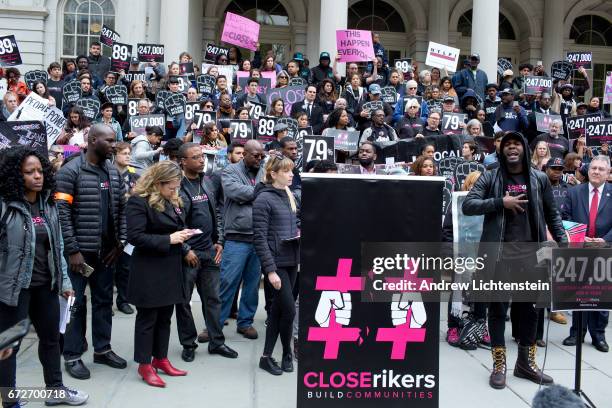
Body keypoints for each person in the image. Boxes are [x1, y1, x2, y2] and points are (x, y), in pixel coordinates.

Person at [463, 131, 565, 389]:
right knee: (497, 310)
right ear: (501, 150)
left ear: (524, 149)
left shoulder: (539, 178)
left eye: (516, 144)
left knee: (529, 311)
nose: (512, 148)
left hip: (532, 257)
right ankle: (499, 365)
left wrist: (563, 245)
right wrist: (501, 202)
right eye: (507, 145)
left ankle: (525, 364)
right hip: (499, 257)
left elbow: (553, 215)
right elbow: (469, 205)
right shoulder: (491, 175)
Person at [0, 146, 89, 407]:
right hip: (13, 291)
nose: (37, 176)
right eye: (29, 172)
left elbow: (58, 245)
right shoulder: (6, 206)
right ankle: (10, 400)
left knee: (52, 340)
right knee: (8, 346)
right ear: (16, 176)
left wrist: (63, 281)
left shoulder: (47, 203)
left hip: (46, 287)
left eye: (40, 170)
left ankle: (55, 390)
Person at [55, 124, 128, 380]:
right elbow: (61, 215)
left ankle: (102, 349)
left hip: (106, 252)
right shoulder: (70, 171)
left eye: (115, 140)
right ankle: (72, 355)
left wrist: (120, 242)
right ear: (92, 139)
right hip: (79, 255)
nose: (114, 145)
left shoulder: (113, 171)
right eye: (109, 141)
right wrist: (72, 251)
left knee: (103, 302)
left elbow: (121, 208)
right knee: (74, 304)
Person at [125, 161, 189, 387]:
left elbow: (171, 227)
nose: (175, 191)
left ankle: (160, 359)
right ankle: (144, 365)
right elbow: (135, 236)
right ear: (157, 182)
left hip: (170, 266)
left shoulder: (170, 199)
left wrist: (182, 234)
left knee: (165, 317)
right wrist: (168, 239)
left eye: (176, 187)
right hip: (148, 269)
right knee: (148, 319)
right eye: (171, 187)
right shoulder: (137, 201)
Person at [175, 143, 239, 362]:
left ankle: (216, 342)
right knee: (184, 302)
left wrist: (219, 240)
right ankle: (188, 343)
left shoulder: (209, 182)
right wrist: (185, 249)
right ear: (183, 161)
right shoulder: (177, 187)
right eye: (195, 157)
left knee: (213, 299)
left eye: (202, 156)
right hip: (188, 254)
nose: (201, 160)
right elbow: (173, 222)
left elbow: (218, 213)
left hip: (209, 252)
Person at [253, 154, 300, 375]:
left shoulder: (288, 194)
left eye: (292, 170)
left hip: (291, 260)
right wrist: (270, 271)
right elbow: (260, 238)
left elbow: (291, 225)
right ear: (273, 174)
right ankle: (285, 352)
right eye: (286, 171)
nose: (291, 174)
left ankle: (272, 356)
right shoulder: (264, 199)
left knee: (277, 311)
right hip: (276, 263)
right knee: (289, 310)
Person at [561, 155, 612, 353]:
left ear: (608, 173)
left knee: (601, 294)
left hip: (603, 249)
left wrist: (605, 239)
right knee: (579, 292)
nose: (596, 171)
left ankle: (599, 335)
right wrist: (580, 237)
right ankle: (577, 332)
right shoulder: (574, 192)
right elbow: (565, 218)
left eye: (601, 169)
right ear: (587, 170)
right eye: (593, 168)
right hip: (579, 248)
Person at [218, 140, 265, 339]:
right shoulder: (229, 170)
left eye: (262, 155)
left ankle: (245, 322)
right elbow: (233, 191)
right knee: (227, 282)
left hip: (259, 237)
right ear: (245, 154)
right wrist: (261, 191)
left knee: (252, 284)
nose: (260, 159)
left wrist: (257, 192)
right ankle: (215, 324)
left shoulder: (264, 169)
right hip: (236, 236)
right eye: (256, 155)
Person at [112, 142, 138, 316]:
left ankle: (123, 299)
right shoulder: (107, 172)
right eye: (124, 153)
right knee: (108, 267)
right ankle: (106, 301)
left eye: (129, 153)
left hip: (128, 226)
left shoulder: (133, 174)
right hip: (110, 225)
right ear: (115, 155)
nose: (128, 156)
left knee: (126, 266)